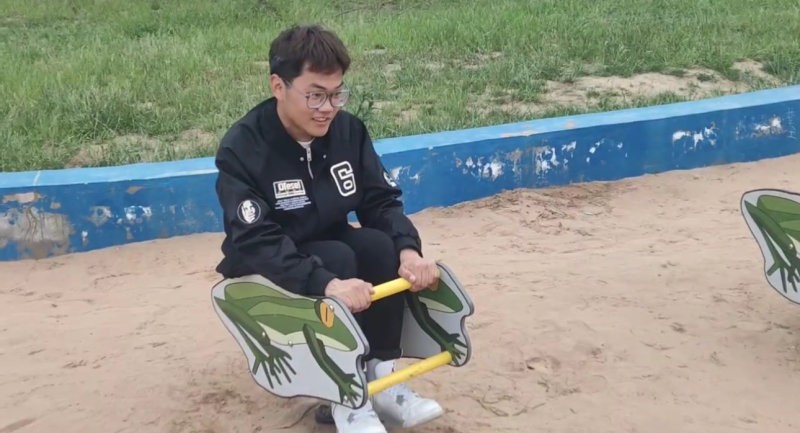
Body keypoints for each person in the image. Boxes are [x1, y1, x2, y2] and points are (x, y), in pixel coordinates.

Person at [213, 24, 445, 433]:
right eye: (315, 95)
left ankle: (380, 377)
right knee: (337, 259)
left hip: (327, 241)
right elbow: (255, 239)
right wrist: (326, 282)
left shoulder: (348, 131)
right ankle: (346, 397)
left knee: (378, 247)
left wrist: (409, 251)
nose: (328, 108)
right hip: (265, 263)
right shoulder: (243, 147)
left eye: (337, 94)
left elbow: (380, 200)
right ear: (278, 86)